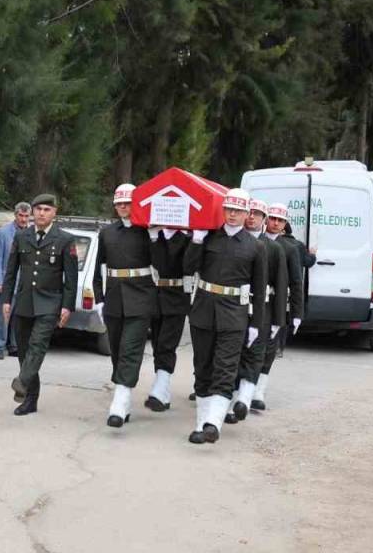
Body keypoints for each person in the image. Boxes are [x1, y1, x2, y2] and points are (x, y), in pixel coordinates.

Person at [182, 188, 267, 445]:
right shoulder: (207, 238)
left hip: (234, 314)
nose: (233, 215)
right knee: (202, 367)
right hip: (204, 309)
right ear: (223, 209)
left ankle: (213, 423)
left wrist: (256, 324)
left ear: (246, 214)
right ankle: (201, 423)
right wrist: (195, 242)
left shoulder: (256, 246)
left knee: (226, 368)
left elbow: (260, 289)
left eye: (238, 211)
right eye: (229, 209)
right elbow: (187, 268)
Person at [1, 193, 78, 416]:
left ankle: (22, 381)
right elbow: (11, 271)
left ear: (54, 212)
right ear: (32, 212)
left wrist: (67, 306)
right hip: (24, 302)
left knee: (37, 345)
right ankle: (30, 399)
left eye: (47, 209)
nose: (42, 213)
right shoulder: (22, 237)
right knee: (24, 352)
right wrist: (6, 299)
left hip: (49, 303)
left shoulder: (65, 239)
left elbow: (70, 278)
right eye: (38, 209)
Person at [93, 183, 157, 428]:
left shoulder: (147, 231)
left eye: (127, 203)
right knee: (117, 350)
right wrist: (99, 298)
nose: (122, 208)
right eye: (119, 204)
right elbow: (99, 268)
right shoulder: (107, 233)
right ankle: (124, 395)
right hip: (114, 299)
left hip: (140, 298)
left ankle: (119, 402)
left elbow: (162, 261)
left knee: (130, 350)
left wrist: (154, 237)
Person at [225, 199, 288, 425]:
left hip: (263, 308)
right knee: (234, 352)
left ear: (264, 219)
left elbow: (281, 286)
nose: (251, 217)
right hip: (235, 306)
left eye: (257, 214)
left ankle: (245, 397)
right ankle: (231, 401)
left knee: (255, 353)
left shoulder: (273, 248)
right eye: (248, 213)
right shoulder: (230, 242)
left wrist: (278, 321)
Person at [253, 203, 312, 411]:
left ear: (285, 224)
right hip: (253, 302)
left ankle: (259, 389)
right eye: (273, 219)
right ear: (266, 219)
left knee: (270, 346)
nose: (275, 223)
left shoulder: (290, 248)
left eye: (280, 220)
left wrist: (297, 313)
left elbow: (296, 282)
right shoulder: (255, 241)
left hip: (276, 303)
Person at [145, 223, 192, 412]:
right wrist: (155, 237)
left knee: (167, 343)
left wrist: (156, 240)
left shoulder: (188, 238)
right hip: (157, 294)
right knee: (157, 343)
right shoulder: (157, 235)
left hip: (177, 295)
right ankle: (162, 390)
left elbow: (177, 264)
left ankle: (160, 386)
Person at [0, 202, 31, 359]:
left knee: (18, 316)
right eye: (20, 215)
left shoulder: (32, 232)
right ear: (15, 215)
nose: (23, 219)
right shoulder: (3, 232)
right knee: (3, 316)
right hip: (6, 281)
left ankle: (13, 345)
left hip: (24, 283)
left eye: (26, 216)